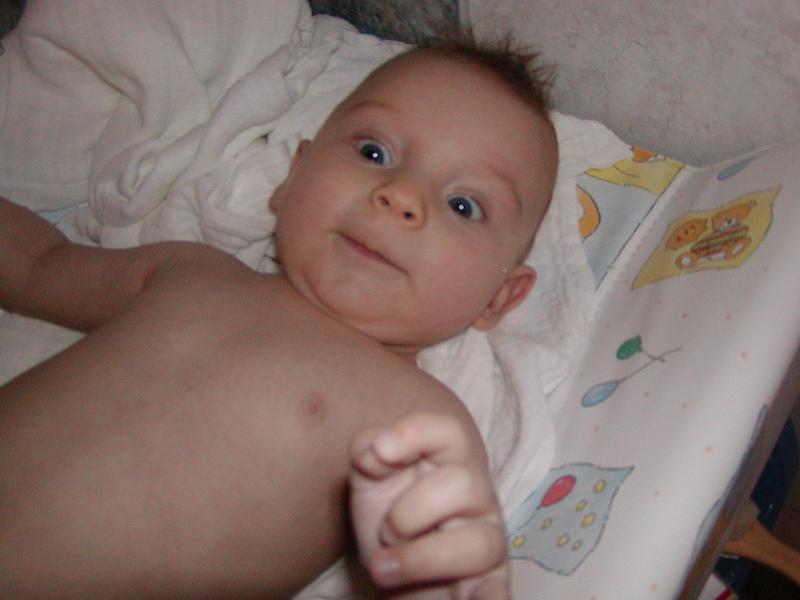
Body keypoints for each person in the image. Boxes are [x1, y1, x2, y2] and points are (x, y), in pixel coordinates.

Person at [0, 32, 558, 599]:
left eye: (464, 205)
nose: (401, 196)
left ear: (498, 298)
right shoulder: (189, 270)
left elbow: (435, 565)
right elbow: (39, 267)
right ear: (293, 177)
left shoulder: (419, 418)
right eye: (374, 153)